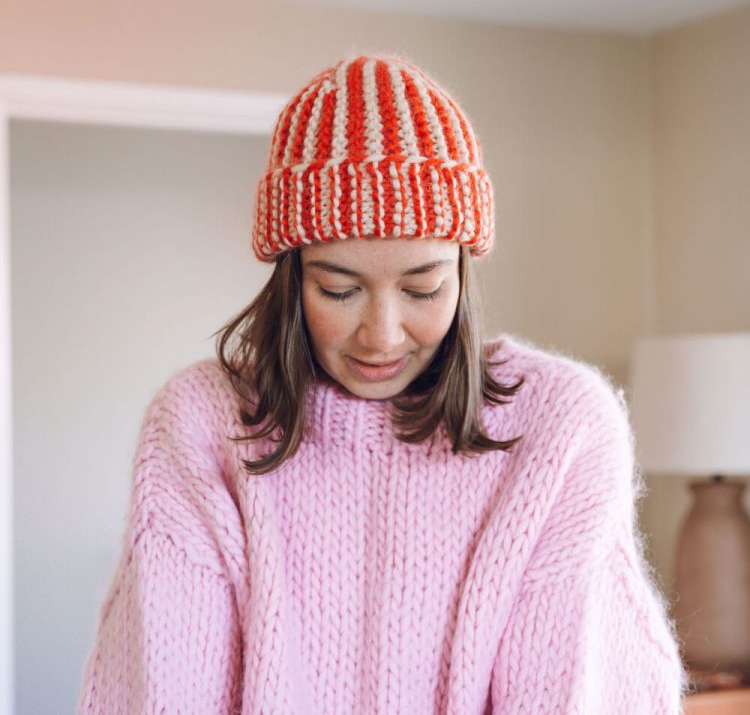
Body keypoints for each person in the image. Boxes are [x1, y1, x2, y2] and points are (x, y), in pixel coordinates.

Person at [76, 53, 690, 714]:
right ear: (290, 277)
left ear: (462, 273)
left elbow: (571, 689)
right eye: (338, 290)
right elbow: (168, 688)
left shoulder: (560, 425)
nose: (383, 335)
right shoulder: (201, 423)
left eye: (423, 288)